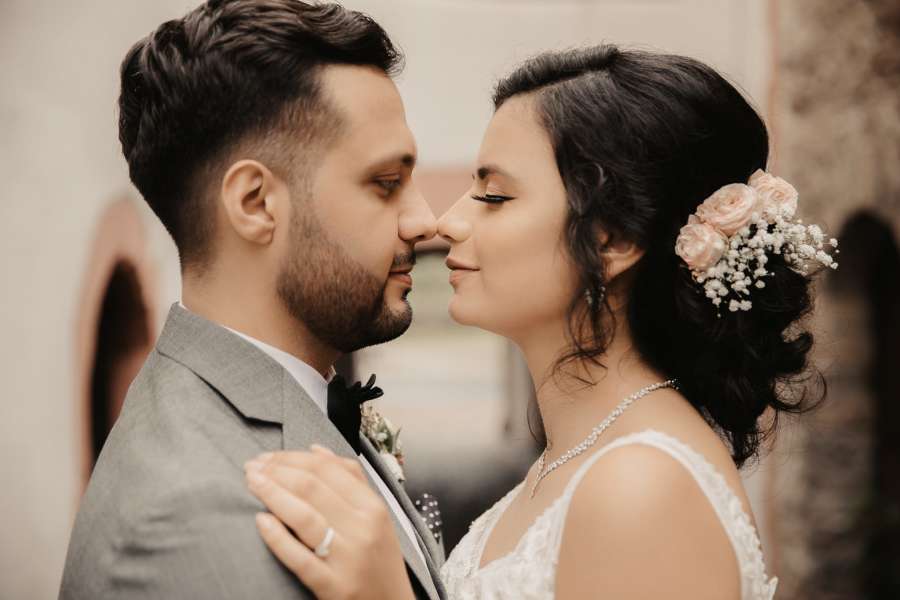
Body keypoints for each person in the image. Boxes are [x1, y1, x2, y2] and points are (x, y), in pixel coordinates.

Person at [245, 45, 838, 599]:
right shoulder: (580, 455)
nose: (447, 223)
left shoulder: (642, 485)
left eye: (494, 196)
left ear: (613, 239)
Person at [58, 1, 445, 598]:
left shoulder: (276, 408)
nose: (424, 221)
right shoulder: (192, 524)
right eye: (386, 183)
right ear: (255, 203)